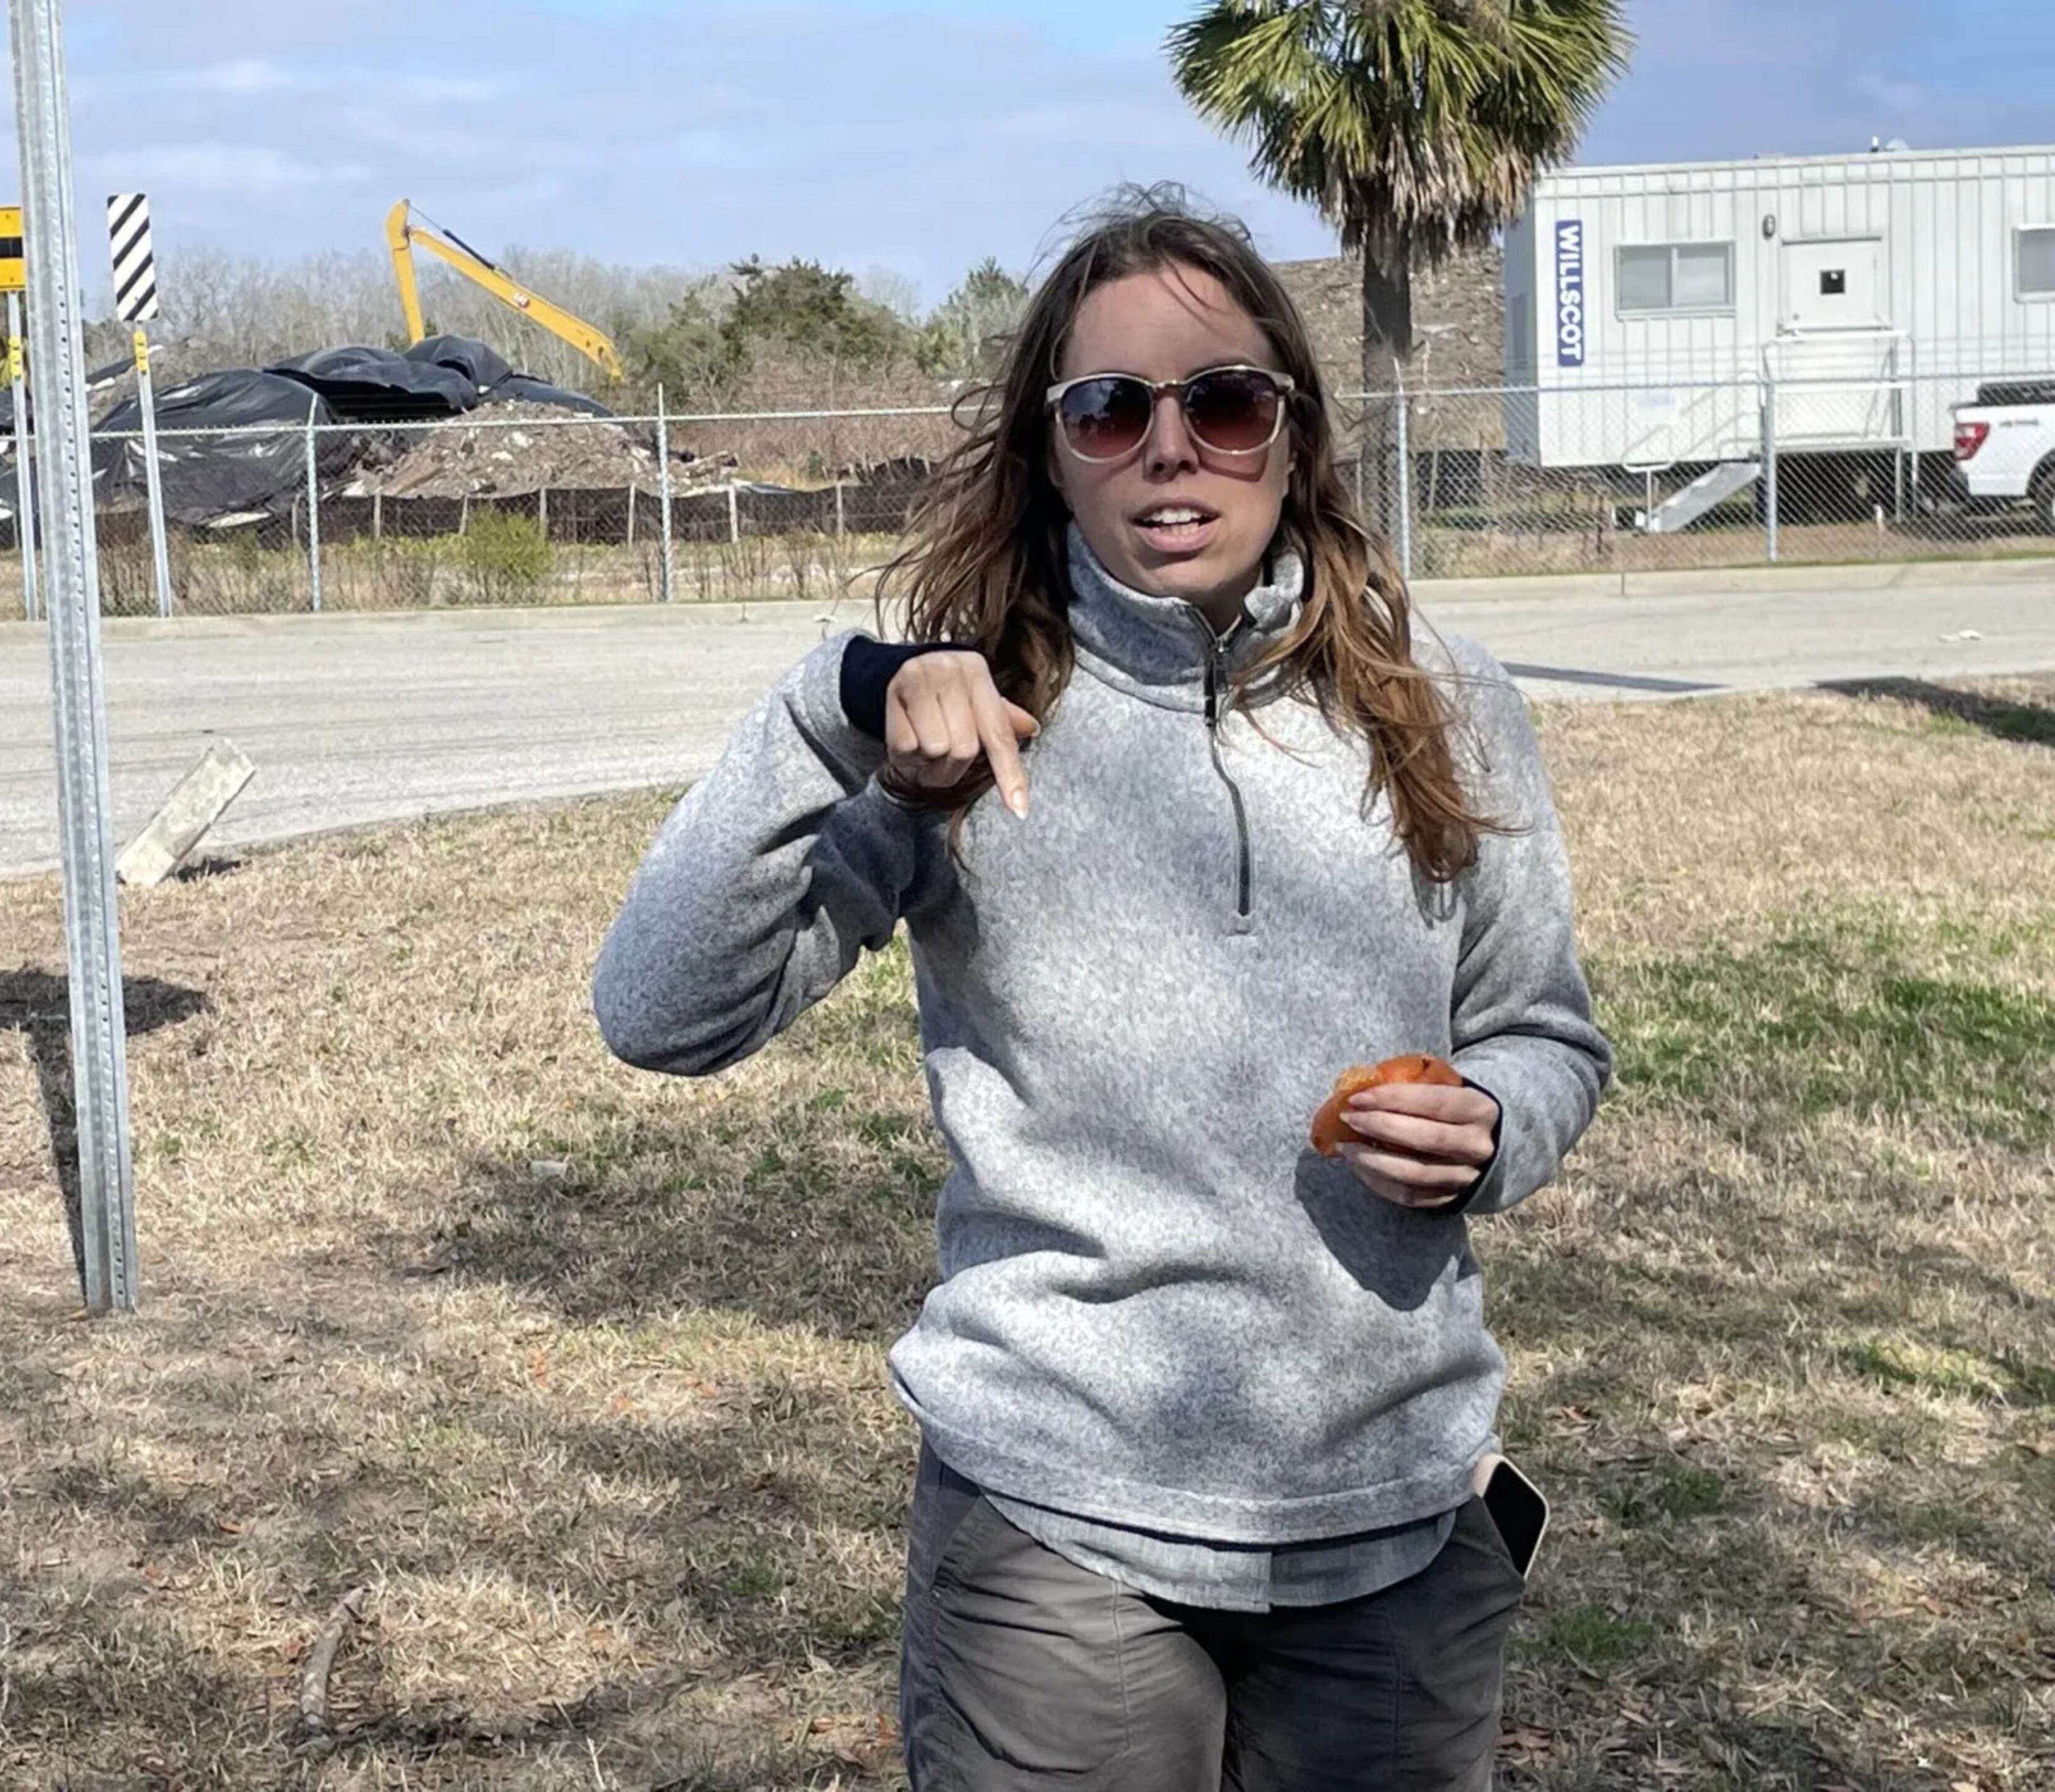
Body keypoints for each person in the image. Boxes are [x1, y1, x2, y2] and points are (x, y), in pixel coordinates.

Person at [591, 187, 1612, 1792]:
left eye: (1221, 401)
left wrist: (1498, 1121)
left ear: (1294, 430)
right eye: (1107, 407)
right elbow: (662, 1017)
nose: (1169, 447)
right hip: (1057, 1522)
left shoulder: (1447, 698)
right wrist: (822, 717)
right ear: (1048, 445)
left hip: (1394, 1513)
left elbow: (1544, 1025)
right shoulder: (974, 713)